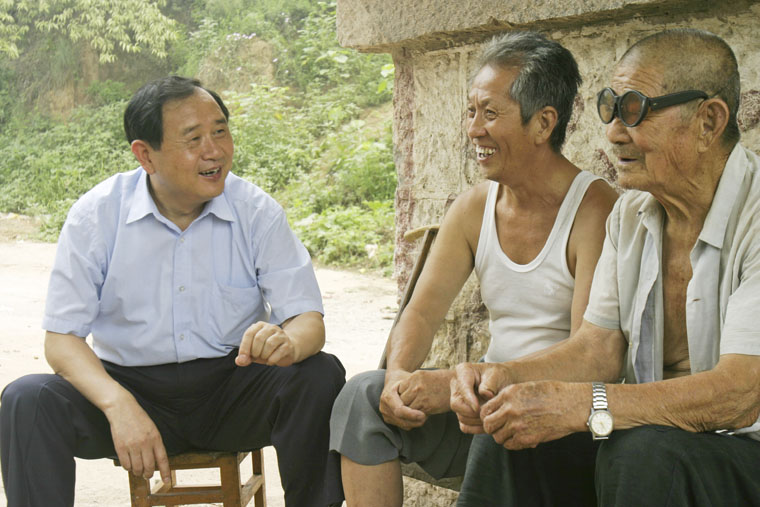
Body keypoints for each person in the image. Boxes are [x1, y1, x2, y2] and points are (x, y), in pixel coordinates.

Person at [0, 76, 345, 507]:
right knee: (27, 400)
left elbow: (308, 319)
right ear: (146, 155)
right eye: (193, 139)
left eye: (220, 131)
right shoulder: (97, 215)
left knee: (318, 374)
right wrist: (118, 404)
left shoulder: (255, 210)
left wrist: (288, 342)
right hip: (131, 389)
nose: (214, 151)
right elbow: (61, 340)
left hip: (233, 389)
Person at [451, 28, 760, 506]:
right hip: (653, 442)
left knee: (643, 452)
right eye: (610, 108)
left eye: (634, 110)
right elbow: (599, 348)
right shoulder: (631, 214)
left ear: (709, 121)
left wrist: (586, 404)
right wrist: (505, 378)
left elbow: (740, 394)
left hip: (743, 449)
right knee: (513, 428)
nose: (614, 132)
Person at [329, 32, 618, 507]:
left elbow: (588, 359)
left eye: (490, 113)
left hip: (558, 428)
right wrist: (399, 376)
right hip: (484, 404)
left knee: (504, 414)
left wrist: (471, 383)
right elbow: (421, 312)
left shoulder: (594, 212)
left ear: (543, 123)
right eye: (470, 111)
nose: (473, 129)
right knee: (362, 396)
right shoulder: (473, 208)